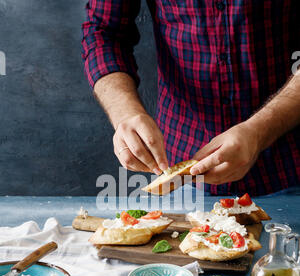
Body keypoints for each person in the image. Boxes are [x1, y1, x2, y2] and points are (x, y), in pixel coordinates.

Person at [81, 1, 300, 196]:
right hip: (182, 176)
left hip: (288, 168)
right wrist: (125, 112)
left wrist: (259, 132)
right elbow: (103, 32)